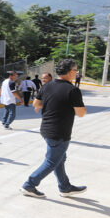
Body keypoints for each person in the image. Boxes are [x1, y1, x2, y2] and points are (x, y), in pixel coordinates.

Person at [20, 58, 87, 198]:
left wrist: (53, 106)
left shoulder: (47, 86)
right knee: (51, 161)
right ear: (69, 72)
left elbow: (36, 105)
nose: (76, 73)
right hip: (60, 132)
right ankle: (29, 185)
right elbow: (81, 113)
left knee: (59, 159)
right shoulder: (73, 90)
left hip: (46, 129)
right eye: (75, 70)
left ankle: (65, 187)